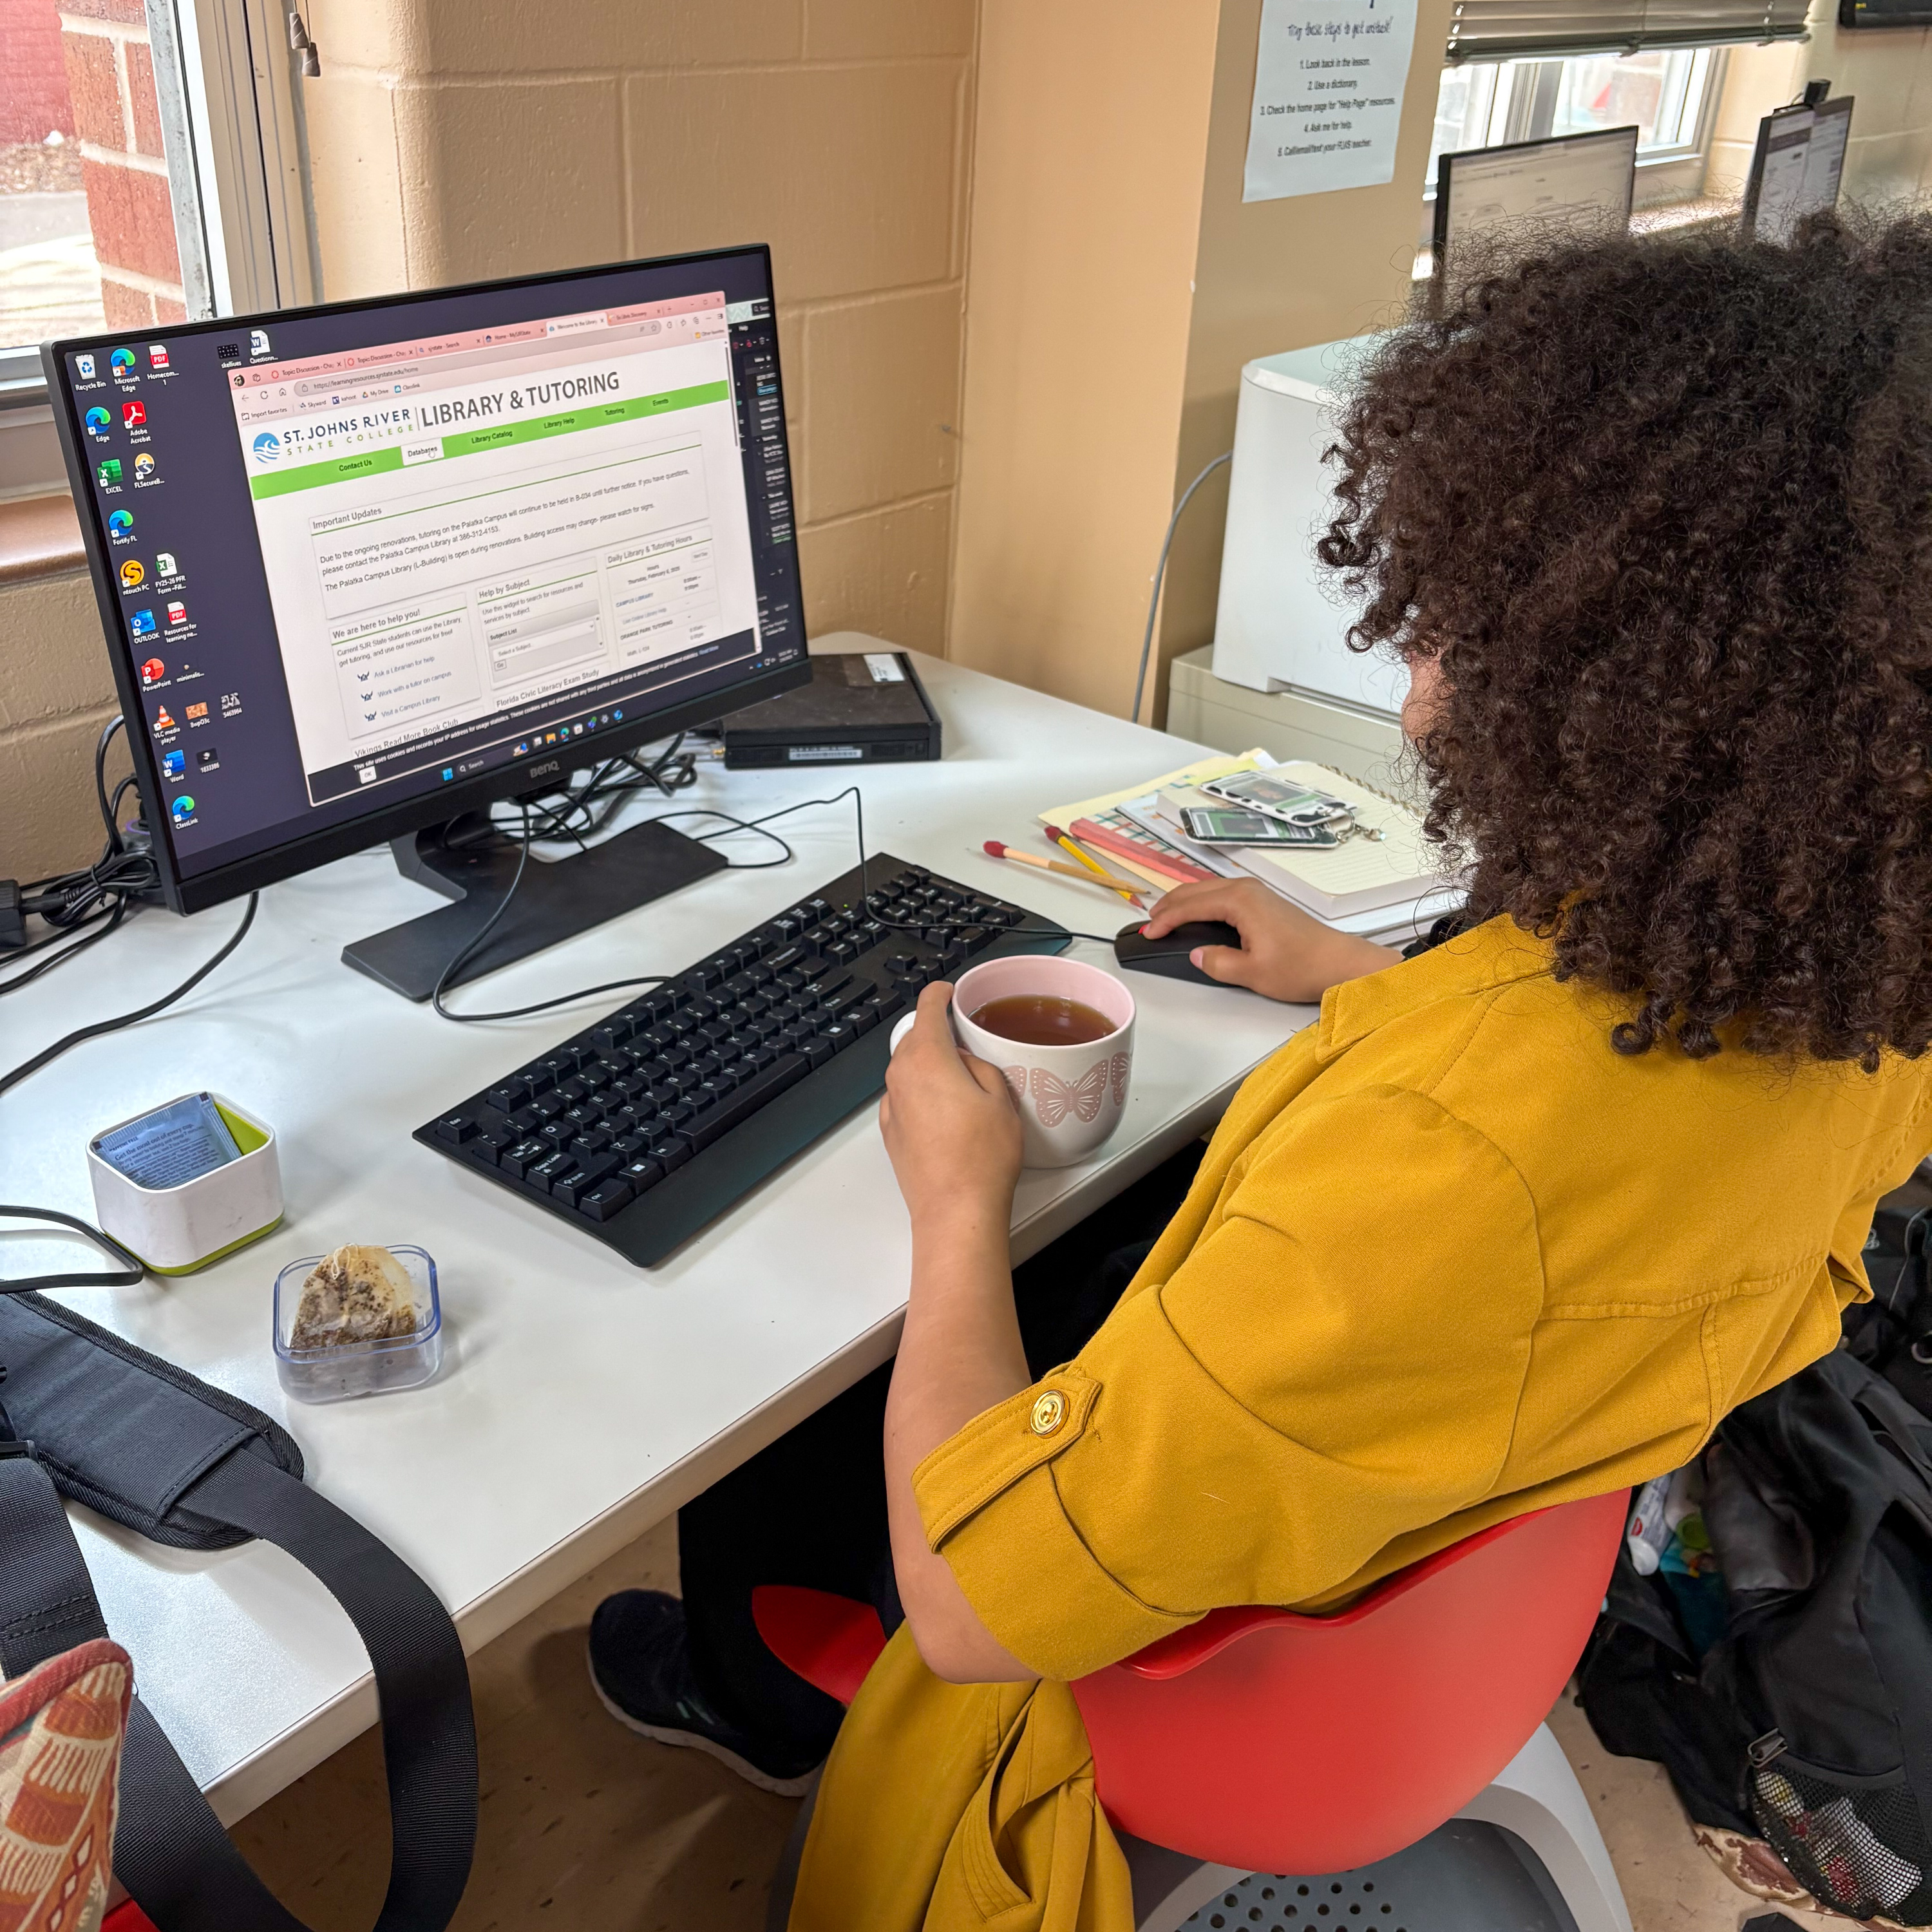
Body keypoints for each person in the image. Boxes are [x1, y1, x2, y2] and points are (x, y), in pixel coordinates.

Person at [589, 210, 1932, 1929]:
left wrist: (953, 1201)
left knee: (850, 1325)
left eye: (1449, 605)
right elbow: (1584, 1144)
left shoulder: (1435, 1172)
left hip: (1177, 1690)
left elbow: (976, 1607)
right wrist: (1370, 978)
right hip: (1455, 1561)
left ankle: (757, 1681)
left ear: (1604, 675)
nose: (1414, 652)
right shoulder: (1854, 1002)